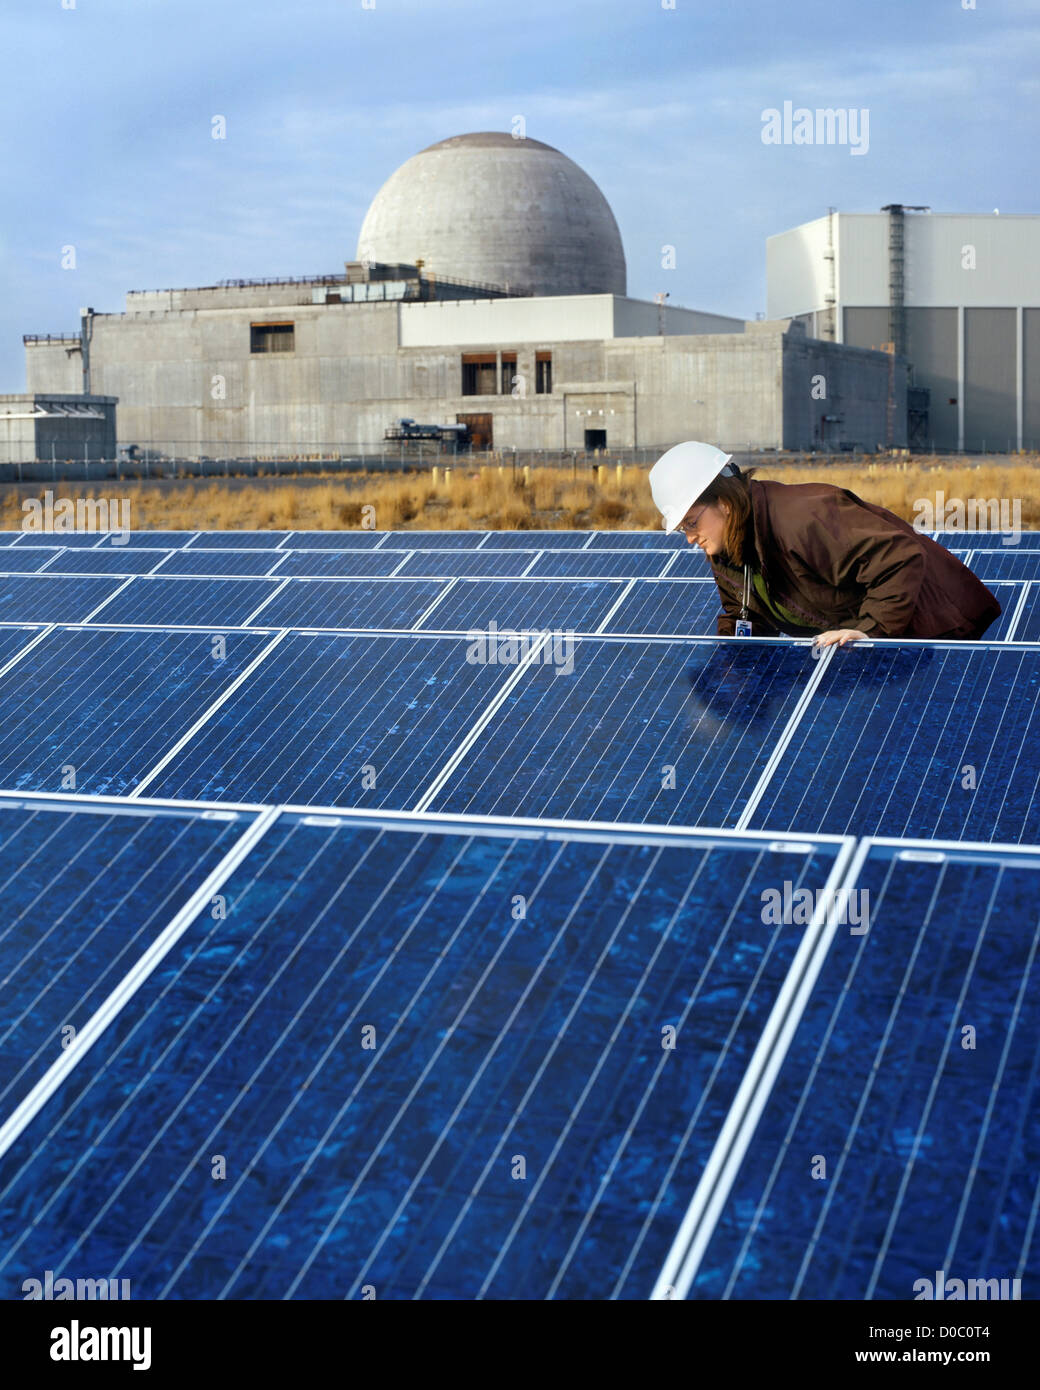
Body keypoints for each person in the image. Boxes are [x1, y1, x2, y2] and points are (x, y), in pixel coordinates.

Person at [649, 441, 1002, 646]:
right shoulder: (727, 546)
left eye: (691, 523)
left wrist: (869, 631)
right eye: (682, 529)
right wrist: (731, 663)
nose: (691, 537)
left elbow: (899, 557)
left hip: (934, 624)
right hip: (877, 635)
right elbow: (743, 612)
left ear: (724, 503)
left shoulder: (803, 519)